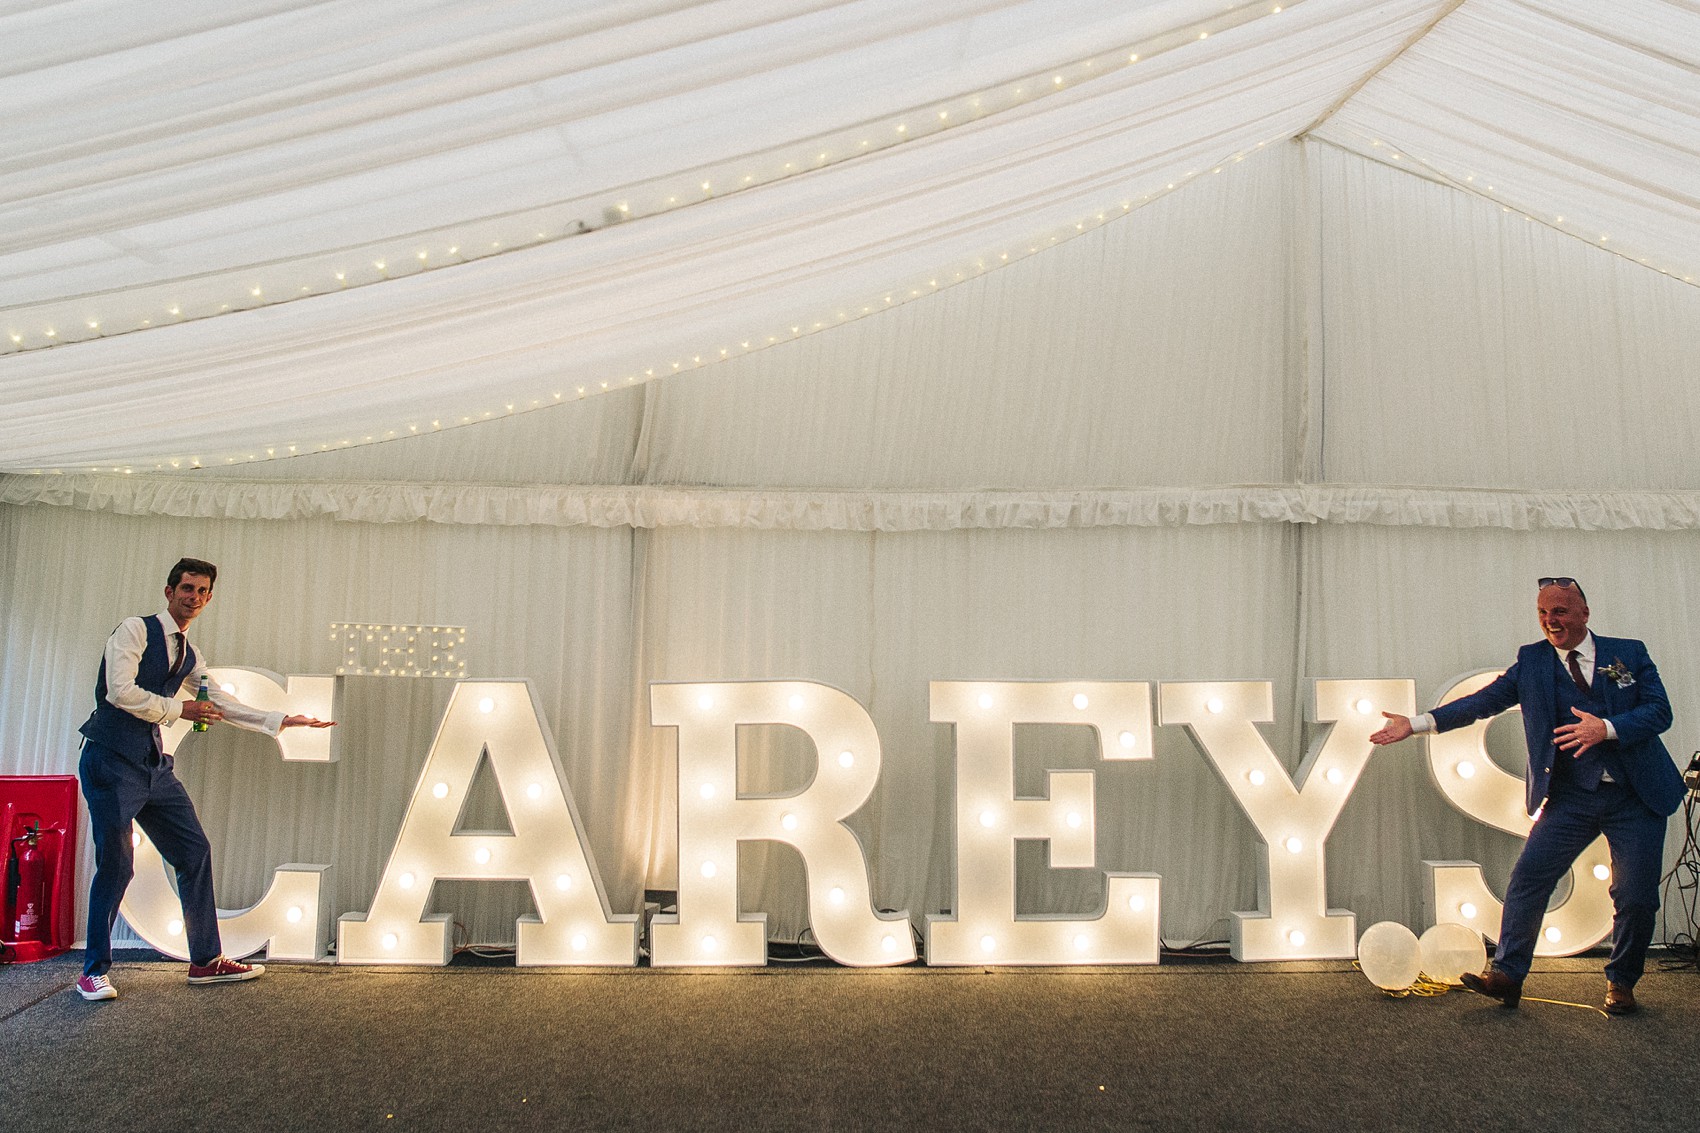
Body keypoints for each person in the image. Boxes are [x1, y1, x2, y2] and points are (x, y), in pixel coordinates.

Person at [1370, 578, 1685, 1014]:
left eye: (1559, 611)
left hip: (1636, 796)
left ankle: (1621, 982)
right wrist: (1419, 722)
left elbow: (1659, 712)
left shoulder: (1627, 653)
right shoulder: (1533, 661)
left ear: (1583, 614)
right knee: (1528, 878)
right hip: (1573, 796)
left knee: (1634, 896)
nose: (1549, 621)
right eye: (1542, 613)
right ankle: (1507, 976)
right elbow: (1483, 701)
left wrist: (1607, 728)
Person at [74, 557, 334, 1002]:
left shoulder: (189, 653)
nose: (193, 598)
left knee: (194, 852)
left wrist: (279, 719)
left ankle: (205, 961)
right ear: (169, 591)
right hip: (111, 761)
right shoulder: (135, 630)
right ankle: (93, 971)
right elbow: (120, 692)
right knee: (118, 865)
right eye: (186, 589)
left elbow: (218, 702)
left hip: (153, 765)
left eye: (201, 592)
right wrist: (181, 710)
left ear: (209, 599)